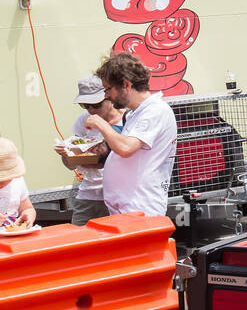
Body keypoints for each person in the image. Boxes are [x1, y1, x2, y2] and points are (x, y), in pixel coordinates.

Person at [86, 53, 178, 217]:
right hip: (129, 207)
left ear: (126, 85)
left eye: (108, 89)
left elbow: (126, 148)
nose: (106, 95)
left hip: (141, 208)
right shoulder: (137, 113)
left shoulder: (155, 110)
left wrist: (101, 125)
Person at [54, 75, 125, 226]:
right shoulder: (83, 119)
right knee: (77, 243)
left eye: (96, 104)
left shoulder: (126, 120)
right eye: (85, 105)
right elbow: (71, 165)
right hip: (88, 194)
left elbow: (123, 157)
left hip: (117, 195)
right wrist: (66, 154)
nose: (91, 110)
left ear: (108, 97)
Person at [0, 137, 37, 230]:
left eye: (8, 178)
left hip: (13, 237)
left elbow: (27, 207)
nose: (2, 184)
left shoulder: (17, 181)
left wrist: (28, 215)